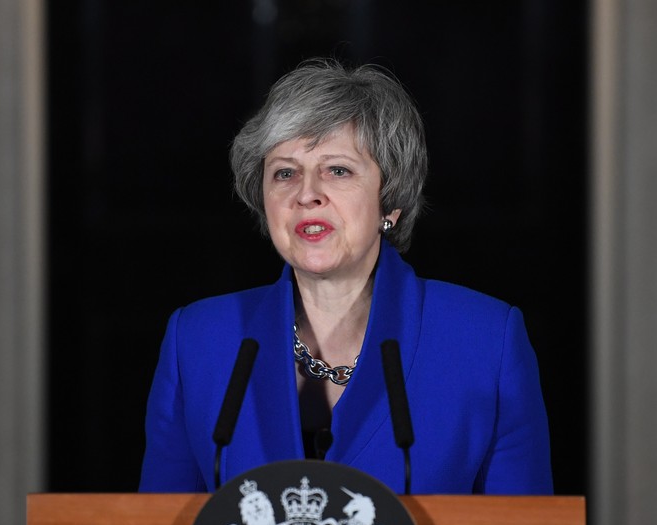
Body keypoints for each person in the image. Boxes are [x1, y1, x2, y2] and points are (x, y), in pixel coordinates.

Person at [139, 59, 552, 495]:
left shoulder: (487, 341)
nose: (306, 194)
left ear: (389, 202)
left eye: (338, 170)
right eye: (284, 172)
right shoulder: (197, 340)